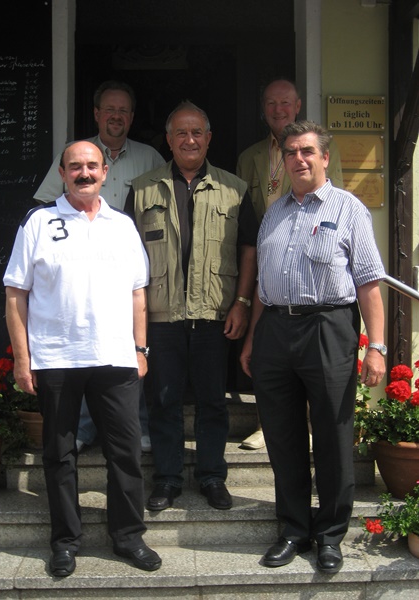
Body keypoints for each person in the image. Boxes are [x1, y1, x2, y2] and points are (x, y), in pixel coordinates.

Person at [4, 141, 161, 577]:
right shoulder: (38, 222)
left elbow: (137, 293)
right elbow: (16, 293)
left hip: (115, 357)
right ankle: (65, 542)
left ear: (106, 172)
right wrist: (22, 359)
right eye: (76, 167)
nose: (85, 173)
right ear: (63, 172)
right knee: (59, 454)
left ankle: (128, 536)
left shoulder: (123, 226)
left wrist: (140, 349)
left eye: (92, 165)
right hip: (55, 358)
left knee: (125, 453)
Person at [240, 120, 386, 573]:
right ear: (282, 161)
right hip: (275, 332)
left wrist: (377, 347)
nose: (298, 159)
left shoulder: (349, 209)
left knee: (332, 436)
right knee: (282, 438)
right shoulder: (274, 213)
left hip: (329, 327)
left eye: (307, 151)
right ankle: (293, 530)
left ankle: (330, 535)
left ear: (325, 157)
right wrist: (252, 340)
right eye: (290, 152)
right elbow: (265, 284)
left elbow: (368, 282)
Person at [124, 101, 259, 512]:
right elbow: (126, 255)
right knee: (162, 400)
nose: (189, 140)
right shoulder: (143, 188)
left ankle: (212, 476)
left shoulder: (234, 189)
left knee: (212, 400)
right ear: (168, 140)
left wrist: (241, 303)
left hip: (214, 315)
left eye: (196, 132)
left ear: (208, 138)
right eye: (180, 133)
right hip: (160, 316)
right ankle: (166, 480)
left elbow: (249, 250)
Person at [34, 80, 165, 454]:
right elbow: (43, 205)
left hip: (129, 269)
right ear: (96, 114)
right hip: (77, 272)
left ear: (132, 117)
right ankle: (86, 428)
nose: (116, 117)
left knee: (127, 351)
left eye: (123, 110)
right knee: (86, 350)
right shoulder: (76, 155)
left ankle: (135, 426)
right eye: (109, 109)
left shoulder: (150, 158)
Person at [237, 77, 344, 450]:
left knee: (315, 362)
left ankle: (315, 425)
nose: (278, 110)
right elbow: (245, 218)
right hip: (270, 265)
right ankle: (267, 425)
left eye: (285, 103)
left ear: (298, 105)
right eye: (271, 104)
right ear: (263, 109)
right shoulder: (250, 156)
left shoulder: (320, 150)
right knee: (268, 353)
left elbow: (337, 205)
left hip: (313, 269)